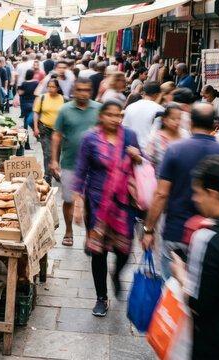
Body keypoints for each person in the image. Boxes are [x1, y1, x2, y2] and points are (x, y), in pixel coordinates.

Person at [142, 103, 219, 280]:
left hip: (177, 231)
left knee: (171, 289)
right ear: (214, 124)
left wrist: (149, 230)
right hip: (213, 235)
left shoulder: (175, 150)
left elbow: (161, 194)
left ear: (190, 123)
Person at [72, 100, 142, 317]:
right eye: (110, 115)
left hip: (123, 205)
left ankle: (116, 274)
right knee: (98, 252)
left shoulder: (130, 136)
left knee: (124, 250)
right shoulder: (90, 139)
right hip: (97, 203)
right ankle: (101, 297)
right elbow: (80, 171)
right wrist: (78, 204)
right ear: (101, 116)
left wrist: (137, 157)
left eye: (119, 115)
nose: (115, 119)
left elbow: (142, 162)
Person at [169, 156, 219, 359]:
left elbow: (198, 303)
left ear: (213, 194)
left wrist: (180, 274)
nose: (195, 199)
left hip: (215, 342)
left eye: (197, 193)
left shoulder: (207, 238)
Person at [52, 78, 102, 247]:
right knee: (68, 199)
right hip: (69, 162)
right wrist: (53, 160)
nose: (83, 93)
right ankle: (68, 231)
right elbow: (57, 134)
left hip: (94, 166)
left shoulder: (99, 109)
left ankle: (90, 234)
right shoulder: (65, 110)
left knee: (91, 201)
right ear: (74, 91)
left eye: (87, 90)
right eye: (79, 90)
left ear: (91, 91)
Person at [33, 79, 65, 184]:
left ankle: (55, 172)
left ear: (58, 88)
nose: (50, 89)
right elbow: (36, 113)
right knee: (47, 153)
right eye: (49, 87)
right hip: (45, 129)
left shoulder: (63, 99)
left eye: (53, 87)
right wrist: (36, 128)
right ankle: (47, 176)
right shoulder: (42, 98)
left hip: (58, 131)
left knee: (57, 153)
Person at [144, 102, 189, 175]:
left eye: (179, 118)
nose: (177, 122)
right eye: (173, 119)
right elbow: (149, 161)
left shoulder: (185, 135)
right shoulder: (154, 137)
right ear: (163, 119)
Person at [122, 82, 164, 148]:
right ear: (157, 95)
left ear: (143, 93)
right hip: (147, 150)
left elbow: (125, 128)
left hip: (130, 148)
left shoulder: (131, 107)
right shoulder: (160, 110)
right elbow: (158, 131)